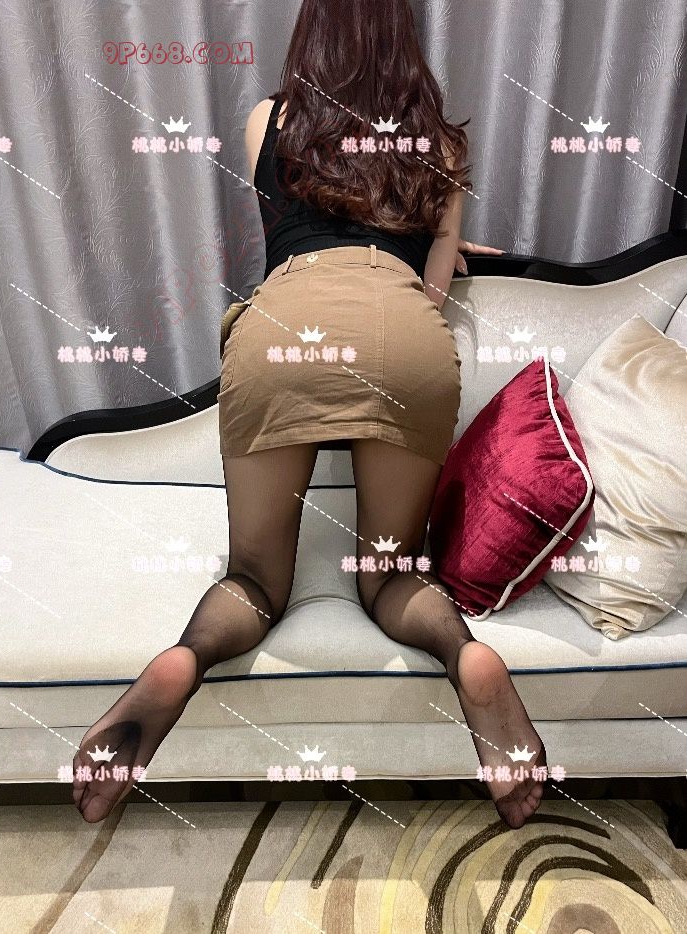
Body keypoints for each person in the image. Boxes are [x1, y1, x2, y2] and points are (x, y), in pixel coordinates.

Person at [73, 0, 546, 829]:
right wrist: (435, 247)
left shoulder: (270, 120)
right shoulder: (443, 147)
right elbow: (433, 290)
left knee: (255, 580)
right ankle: (466, 657)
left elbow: (288, 237)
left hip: (283, 330)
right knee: (391, 575)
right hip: (402, 331)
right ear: (406, 39)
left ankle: (184, 660)